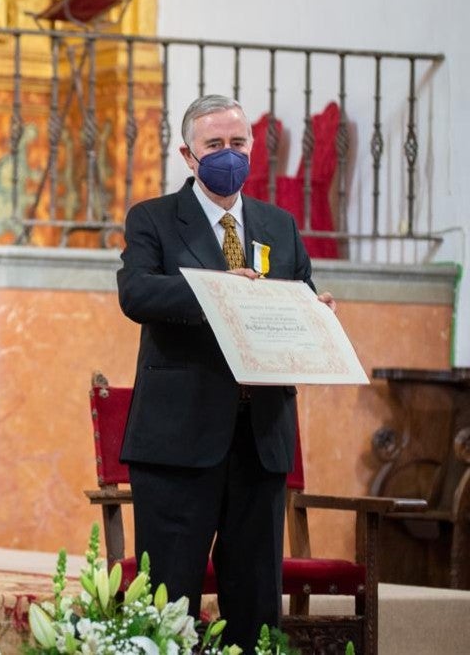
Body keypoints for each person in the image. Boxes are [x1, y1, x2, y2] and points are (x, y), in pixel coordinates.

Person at [116, 94, 337, 648]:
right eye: (215, 145)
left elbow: (299, 294)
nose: (228, 155)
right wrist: (222, 294)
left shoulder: (278, 226)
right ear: (189, 156)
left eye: (238, 143)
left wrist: (315, 315)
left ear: (252, 149)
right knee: (168, 602)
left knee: (256, 602)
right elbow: (137, 291)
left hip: (259, 439)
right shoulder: (154, 219)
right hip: (177, 444)